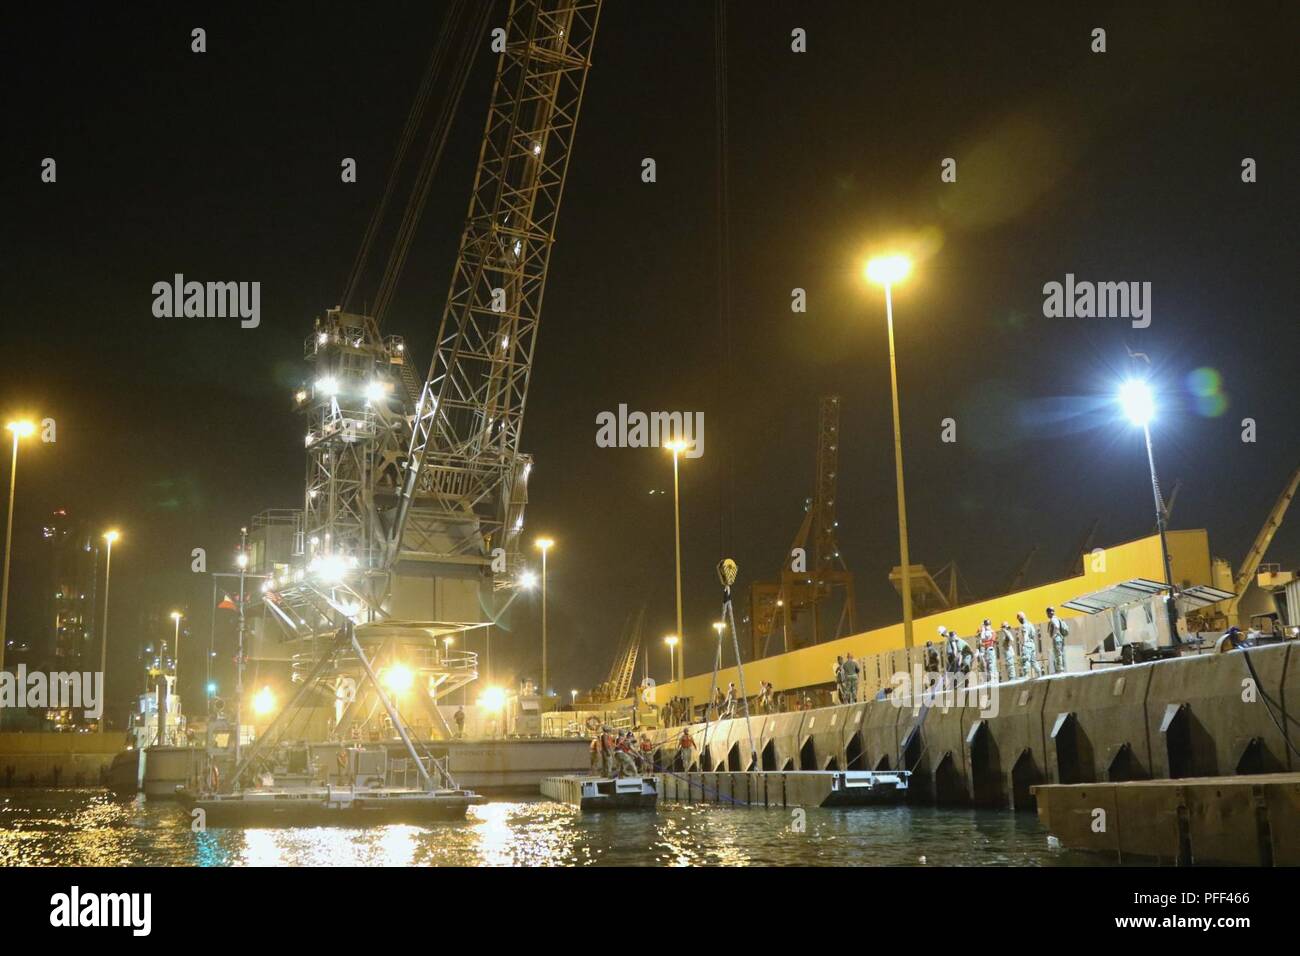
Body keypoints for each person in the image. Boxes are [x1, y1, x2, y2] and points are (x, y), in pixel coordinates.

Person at [1018, 612, 1042, 678]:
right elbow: (1033, 634)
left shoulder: (1024, 625)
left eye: (1019, 619)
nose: (1019, 621)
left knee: (1026, 660)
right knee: (1033, 661)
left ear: (1020, 618)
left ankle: (1026, 675)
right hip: (1032, 644)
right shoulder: (1030, 624)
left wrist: (1024, 645)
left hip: (1027, 644)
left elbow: (1025, 635)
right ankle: (1039, 673)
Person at [1046, 606, 1069, 673]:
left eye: (1047, 613)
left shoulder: (1053, 619)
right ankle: (1060, 668)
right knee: (1059, 653)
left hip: (1057, 639)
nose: (1047, 615)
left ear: (1049, 613)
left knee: (1057, 654)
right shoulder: (1057, 618)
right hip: (1059, 638)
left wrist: (1054, 635)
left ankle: (1060, 669)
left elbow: (1056, 626)